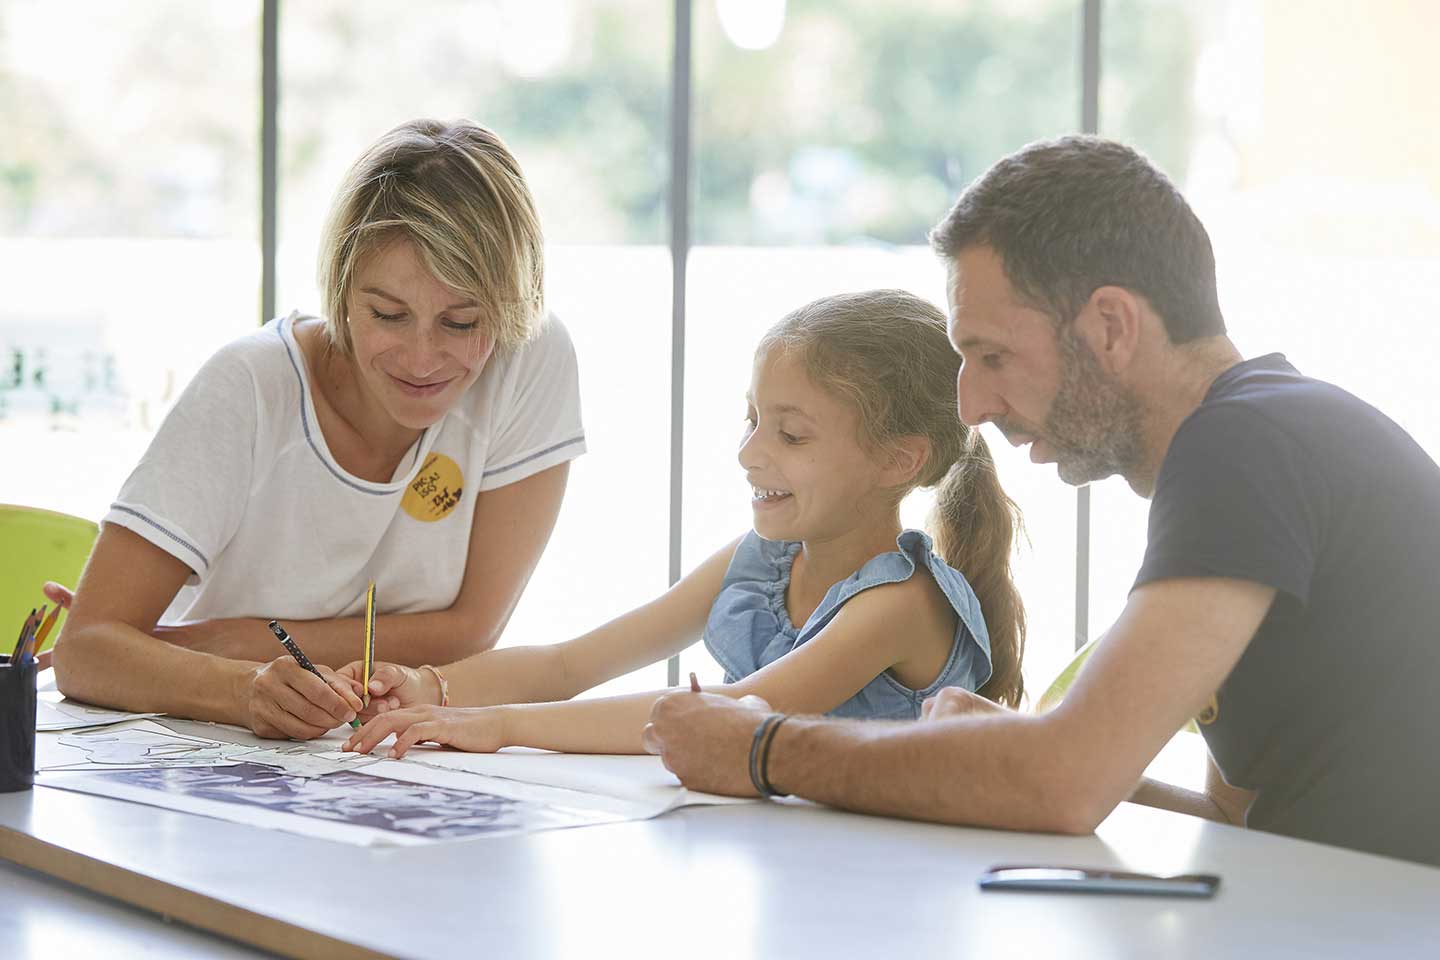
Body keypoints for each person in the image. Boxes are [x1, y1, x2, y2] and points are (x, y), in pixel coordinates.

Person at [641, 135, 1440, 868]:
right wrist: (1013, 749)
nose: (971, 405)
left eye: (991, 355)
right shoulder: (1260, 444)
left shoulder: (1248, 444)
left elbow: (1065, 787)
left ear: (1112, 327)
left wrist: (764, 749)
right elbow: (1234, 821)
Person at [52, 119, 586, 740]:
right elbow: (85, 650)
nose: (421, 359)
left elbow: (472, 630)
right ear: (340, 288)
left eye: (462, 323)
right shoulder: (249, 386)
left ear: (512, 303)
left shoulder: (531, 354)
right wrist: (244, 687)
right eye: (388, 314)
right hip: (205, 753)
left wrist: (233, 639)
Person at [340, 289, 1026, 758]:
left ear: (897, 460)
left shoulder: (899, 605)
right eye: (752, 419)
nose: (748, 453)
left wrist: (498, 725)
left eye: (791, 435)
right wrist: (433, 688)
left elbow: (732, 714)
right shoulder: (761, 561)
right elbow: (572, 661)